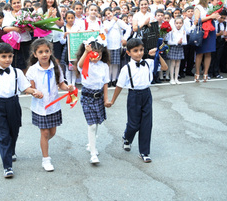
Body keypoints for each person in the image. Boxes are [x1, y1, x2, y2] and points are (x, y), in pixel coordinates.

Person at [0, 42, 42, 178]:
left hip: (14, 103)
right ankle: (7, 166)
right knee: (4, 135)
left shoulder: (17, 72)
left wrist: (34, 91)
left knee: (14, 131)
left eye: (10, 56)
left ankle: (11, 151)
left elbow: (25, 88)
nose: (7, 59)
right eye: (3, 57)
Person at [26, 38, 74, 172]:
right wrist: (34, 92)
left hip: (54, 106)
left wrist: (68, 87)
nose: (44, 54)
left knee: (52, 132)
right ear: (35, 54)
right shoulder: (32, 70)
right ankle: (46, 159)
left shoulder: (56, 67)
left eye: (46, 51)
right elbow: (30, 88)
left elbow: (61, 84)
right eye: (40, 52)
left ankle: (44, 142)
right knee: (45, 132)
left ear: (51, 52)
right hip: (40, 107)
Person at [110, 38, 154, 163]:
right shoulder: (126, 68)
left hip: (147, 94)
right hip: (134, 96)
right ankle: (127, 137)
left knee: (147, 124)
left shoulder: (148, 63)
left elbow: (164, 67)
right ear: (128, 53)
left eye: (141, 50)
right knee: (134, 124)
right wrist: (112, 101)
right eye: (135, 51)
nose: (139, 53)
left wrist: (157, 55)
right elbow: (119, 86)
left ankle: (144, 152)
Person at [76, 36, 111, 164]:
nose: (97, 57)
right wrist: (86, 52)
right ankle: (93, 153)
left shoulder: (104, 66)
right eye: (94, 54)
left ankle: (91, 143)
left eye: (100, 54)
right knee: (91, 125)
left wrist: (106, 99)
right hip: (87, 96)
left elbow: (105, 83)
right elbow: (79, 64)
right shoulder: (85, 64)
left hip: (99, 96)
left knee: (96, 123)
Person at [103, 7, 131, 87]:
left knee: (115, 64)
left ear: (112, 12)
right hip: (108, 46)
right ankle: (108, 80)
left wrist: (125, 38)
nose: (108, 16)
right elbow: (106, 30)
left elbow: (128, 28)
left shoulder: (118, 21)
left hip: (117, 45)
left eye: (109, 13)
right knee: (109, 64)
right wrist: (113, 21)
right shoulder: (105, 23)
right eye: (106, 15)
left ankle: (114, 79)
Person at [3, 0, 33, 74]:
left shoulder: (26, 14)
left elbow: (32, 28)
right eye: (14, 3)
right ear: (11, 4)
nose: (16, 4)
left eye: (18, 2)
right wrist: (15, 29)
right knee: (16, 64)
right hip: (14, 44)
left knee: (27, 64)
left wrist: (26, 28)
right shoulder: (8, 15)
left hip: (26, 42)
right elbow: (4, 28)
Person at [193, 0, 219, 82]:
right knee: (200, 53)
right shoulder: (198, 7)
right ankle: (197, 73)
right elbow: (197, 20)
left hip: (211, 30)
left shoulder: (210, 7)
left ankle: (205, 73)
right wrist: (210, 17)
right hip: (202, 30)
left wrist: (216, 17)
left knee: (209, 52)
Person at [60, 10, 82, 86]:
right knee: (67, 66)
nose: (70, 20)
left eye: (72, 18)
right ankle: (69, 83)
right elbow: (62, 42)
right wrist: (64, 36)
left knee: (74, 67)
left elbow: (80, 37)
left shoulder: (77, 27)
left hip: (75, 48)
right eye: (68, 18)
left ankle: (73, 83)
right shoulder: (63, 28)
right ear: (66, 18)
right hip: (67, 49)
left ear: (74, 18)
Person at [209, 9, 227, 79]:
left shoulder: (225, 24)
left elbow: (225, 33)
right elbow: (211, 34)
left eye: (224, 18)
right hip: (214, 41)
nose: (222, 19)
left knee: (218, 57)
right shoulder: (213, 22)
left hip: (221, 42)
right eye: (221, 17)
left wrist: (225, 35)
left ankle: (216, 72)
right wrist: (218, 34)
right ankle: (209, 72)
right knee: (212, 57)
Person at [167, 16, 187, 84]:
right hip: (173, 47)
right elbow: (169, 42)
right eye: (177, 23)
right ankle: (171, 78)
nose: (178, 24)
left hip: (180, 47)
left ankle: (176, 78)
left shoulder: (183, 32)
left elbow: (185, 42)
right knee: (172, 63)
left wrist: (181, 42)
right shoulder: (171, 32)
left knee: (178, 64)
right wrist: (176, 42)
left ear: (182, 23)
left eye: (180, 23)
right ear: (174, 23)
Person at [180, 6, 195, 77]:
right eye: (188, 11)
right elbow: (188, 31)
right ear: (186, 13)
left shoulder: (194, 20)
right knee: (185, 55)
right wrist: (194, 25)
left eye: (192, 11)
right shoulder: (185, 21)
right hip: (187, 38)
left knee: (191, 55)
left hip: (193, 38)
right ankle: (182, 70)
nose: (190, 13)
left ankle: (189, 70)